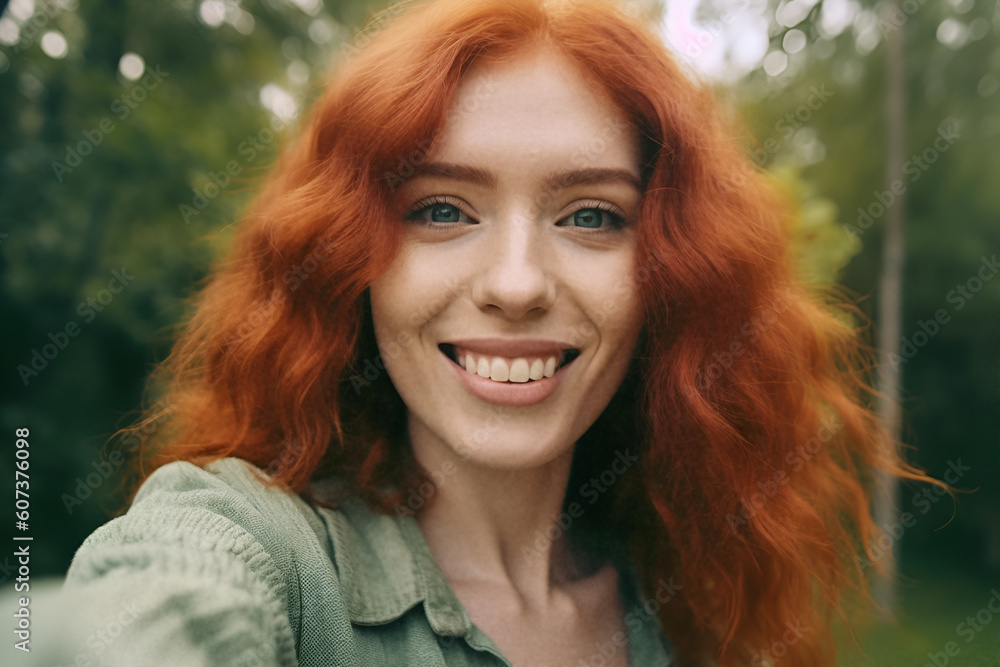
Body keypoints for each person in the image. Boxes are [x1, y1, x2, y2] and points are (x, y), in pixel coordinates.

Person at [32, 0, 938, 665]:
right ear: (352, 259)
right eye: (439, 209)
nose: (515, 285)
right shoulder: (254, 544)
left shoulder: (689, 610)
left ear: (669, 270)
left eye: (590, 216)